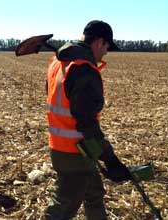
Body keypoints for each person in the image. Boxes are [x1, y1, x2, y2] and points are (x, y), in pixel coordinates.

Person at [45, 20, 132, 220]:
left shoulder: (57, 63)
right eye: (107, 46)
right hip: (74, 152)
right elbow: (87, 124)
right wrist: (110, 160)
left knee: (94, 194)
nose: (107, 52)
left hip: (65, 148)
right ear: (100, 42)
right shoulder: (84, 70)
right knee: (63, 208)